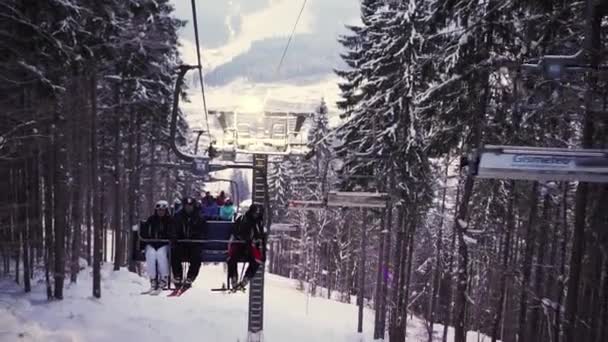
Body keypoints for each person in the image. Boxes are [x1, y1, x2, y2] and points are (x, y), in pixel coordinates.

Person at [171, 197, 207, 288]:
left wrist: (196, 237)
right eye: (187, 206)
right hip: (181, 243)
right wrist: (175, 236)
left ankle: (190, 277)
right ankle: (177, 276)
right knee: (175, 253)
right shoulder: (178, 216)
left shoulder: (199, 217)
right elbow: (174, 229)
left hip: (194, 244)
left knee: (196, 256)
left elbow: (203, 231)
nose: (188, 208)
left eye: (190, 206)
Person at [227, 203, 265, 290]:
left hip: (251, 246)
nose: (256, 215)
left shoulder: (259, 223)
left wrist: (256, 242)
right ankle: (234, 278)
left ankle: (246, 278)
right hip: (240, 244)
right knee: (232, 258)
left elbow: (260, 236)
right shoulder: (243, 219)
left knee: (257, 260)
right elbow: (235, 232)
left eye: (257, 214)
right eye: (255, 213)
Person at [140, 200, 172, 293]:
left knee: (161, 254)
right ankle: (153, 279)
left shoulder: (170, 220)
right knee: (150, 254)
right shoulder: (151, 220)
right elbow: (145, 233)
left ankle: (164, 278)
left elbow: (173, 233)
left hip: (164, 244)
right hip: (152, 243)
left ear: (166, 211)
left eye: (163, 210)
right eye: (159, 210)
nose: (161, 212)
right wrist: (144, 244)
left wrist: (170, 238)